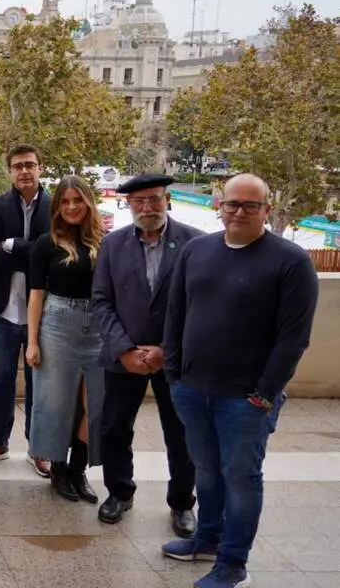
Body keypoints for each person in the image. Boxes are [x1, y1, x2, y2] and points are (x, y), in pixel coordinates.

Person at [162, 174, 318, 588]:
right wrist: (175, 375)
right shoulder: (196, 251)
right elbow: (175, 315)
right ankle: (208, 539)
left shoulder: (290, 261)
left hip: (246, 399)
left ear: (267, 209)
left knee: (241, 478)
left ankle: (233, 565)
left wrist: (265, 394)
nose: (239, 212)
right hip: (193, 389)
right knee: (206, 471)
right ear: (220, 205)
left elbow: (293, 337)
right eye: (232, 203)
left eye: (251, 205)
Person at [92, 173, 201, 537]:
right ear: (128, 205)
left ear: (167, 199)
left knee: (182, 434)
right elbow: (101, 302)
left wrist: (167, 351)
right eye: (138, 201)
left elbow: (201, 306)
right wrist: (123, 349)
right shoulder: (112, 244)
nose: (147, 207)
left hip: (177, 359)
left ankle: (183, 503)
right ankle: (120, 492)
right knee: (114, 429)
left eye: (154, 199)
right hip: (124, 358)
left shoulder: (195, 243)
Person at [0, 144, 51, 477]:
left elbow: (57, 250)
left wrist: (13, 245)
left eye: (29, 165)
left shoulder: (57, 205)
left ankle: (39, 447)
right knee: (1, 379)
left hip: (45, 312)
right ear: (9, 171)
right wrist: (34, 250)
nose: (24, 171)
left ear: (40, 167)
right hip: (3, 309)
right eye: (17, 166)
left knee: (39, 383)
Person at [25, 175, 106, 504]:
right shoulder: (46, 243)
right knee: (55, 402)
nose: (72, 207)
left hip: (98, 327)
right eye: (66, 201)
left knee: (95, 405)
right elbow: (35, 295)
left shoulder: (105, 242)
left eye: (78, 200)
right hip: (57, 324)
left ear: (88, 202)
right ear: (57, 206)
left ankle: (78, 469)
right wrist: (32, 342)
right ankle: (58, 469)